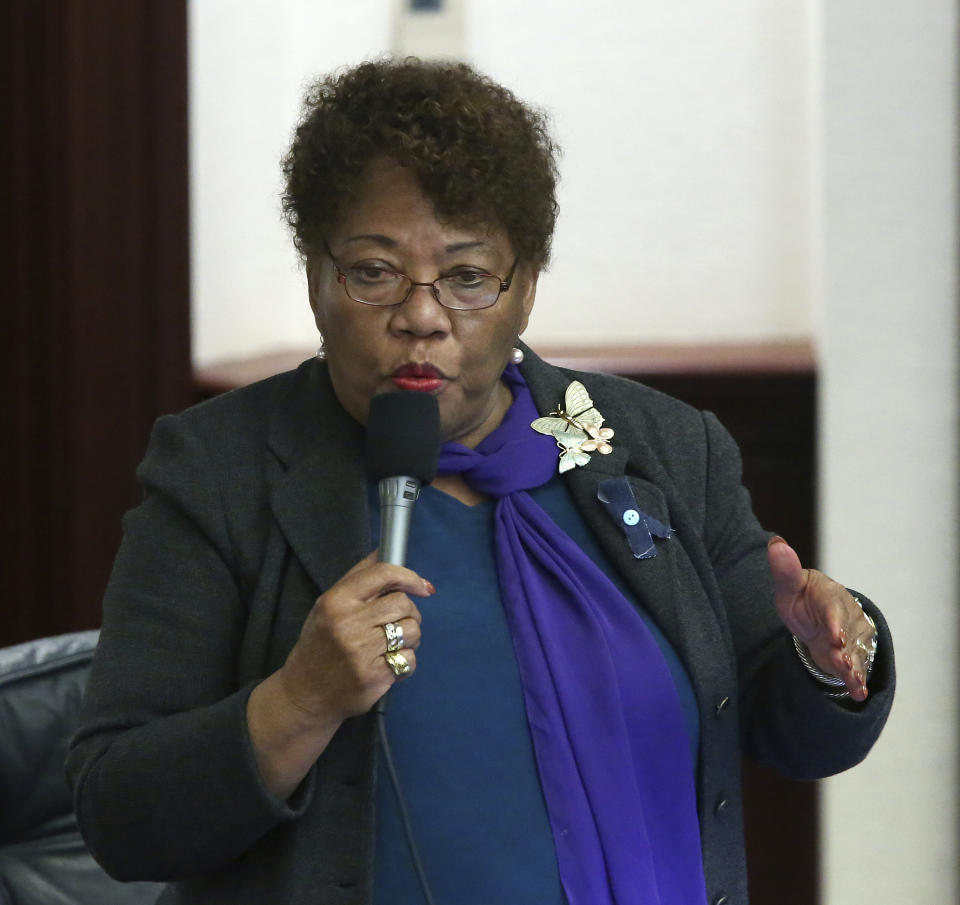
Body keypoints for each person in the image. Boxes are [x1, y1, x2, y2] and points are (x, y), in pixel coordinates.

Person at [67, 58, 894, 905]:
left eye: (466, 276)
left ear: (525, 288)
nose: (422, 314)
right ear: (319, 280)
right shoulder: (221, 471)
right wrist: (299, 700)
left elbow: (785, 730)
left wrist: (823, 661)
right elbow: (118, 814)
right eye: (376, 270)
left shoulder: (667, 449)